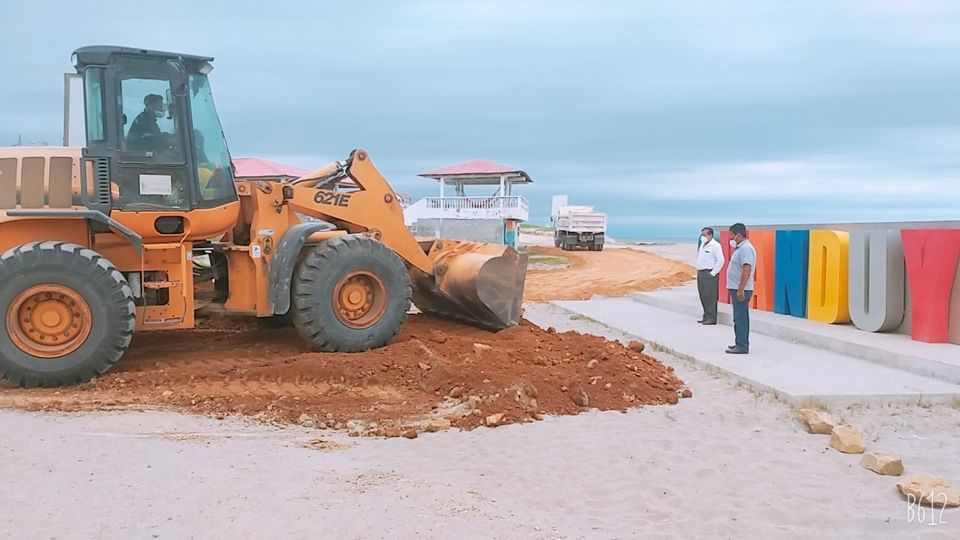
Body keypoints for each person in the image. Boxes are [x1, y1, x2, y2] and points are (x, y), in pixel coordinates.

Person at [726, 223, 756, 354]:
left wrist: (740, 289)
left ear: (738, 235)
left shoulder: (746, 249)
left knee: (741, 318)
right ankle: (739, 342)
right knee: (737, 318)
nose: (730, 238)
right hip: (736, 288)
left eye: (731, 235)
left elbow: (747, 269)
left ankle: (742, 346)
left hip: (741, 290)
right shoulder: (740, 248)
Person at [696, 227, 724, 325]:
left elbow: (721, 260)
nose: (702, 237)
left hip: (709, 273)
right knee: (703, 295)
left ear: (710, 235)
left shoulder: (715, 246)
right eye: (702, 235)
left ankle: (712, 318)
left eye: (704, 235)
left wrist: (713, 273)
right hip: (701, 272)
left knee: (710, 296)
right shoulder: (702, 244)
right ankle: (706, 315)